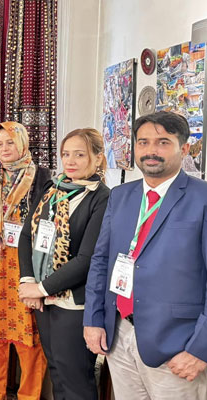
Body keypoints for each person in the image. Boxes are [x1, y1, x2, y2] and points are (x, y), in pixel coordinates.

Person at [84, 111, 207, 398]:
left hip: (177, 345)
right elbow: (102, 261)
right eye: (143, 142)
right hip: (120, 335)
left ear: (184, 148)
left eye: (163, 142)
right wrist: (93, 319)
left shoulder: (202, 199)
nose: (151, 151)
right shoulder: (121, 195)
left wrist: (200, 349)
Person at [18, 128, 110, 400]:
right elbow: (27, 236)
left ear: (97, 158)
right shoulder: (51, 189)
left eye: (79, 155)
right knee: (57, 372)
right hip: (45, 301)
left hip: (74, 304)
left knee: (75, 380)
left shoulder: (102, 198)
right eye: (66, 154)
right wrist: (28, 281)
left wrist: (41, 288)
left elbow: (87, 258)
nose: (70, 161)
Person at [0, 121, 50, 400]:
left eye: (10, 142)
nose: (4, 148)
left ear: (23, 143)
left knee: (30, 343)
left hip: (28, 273)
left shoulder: (43, 178)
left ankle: (29, 397)